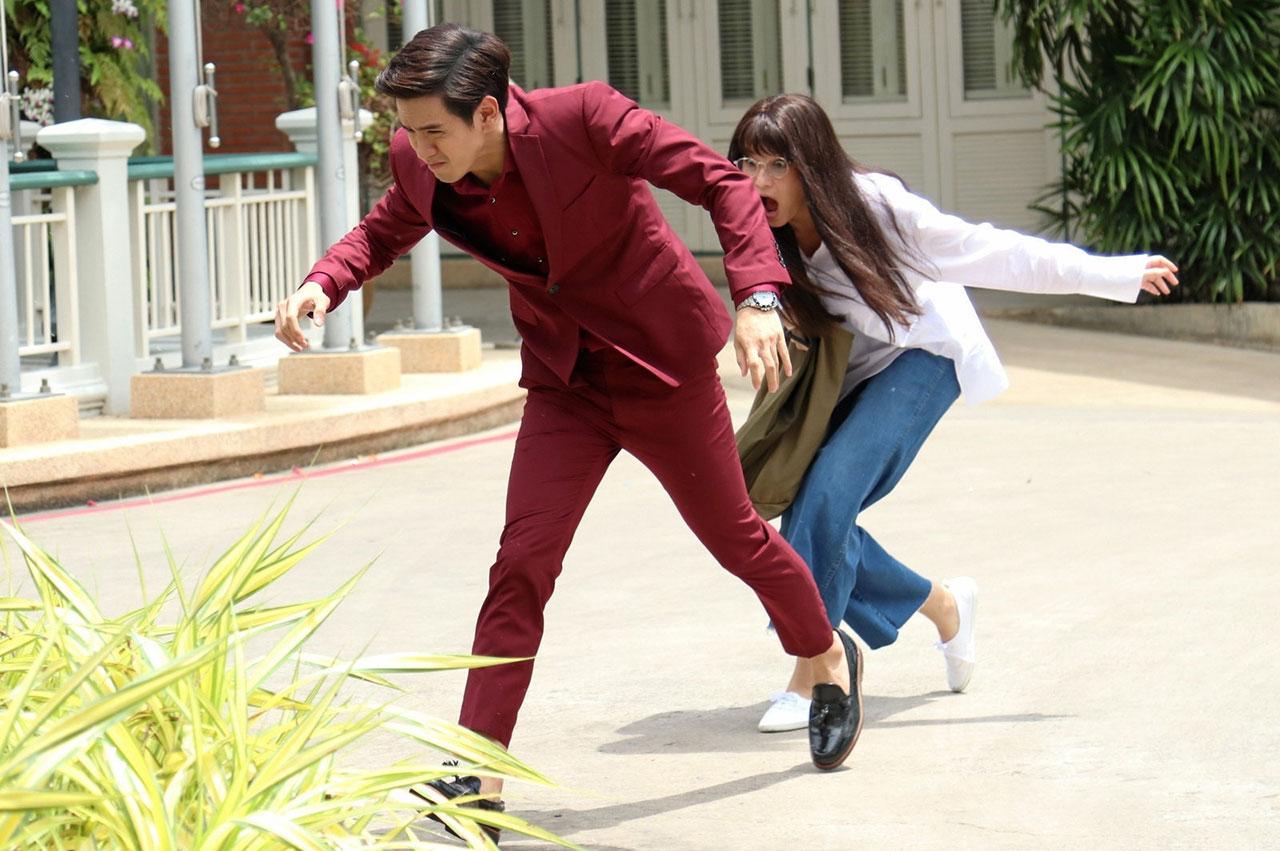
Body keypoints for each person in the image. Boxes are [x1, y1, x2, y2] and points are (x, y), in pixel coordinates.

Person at [273, 25, 863, 828]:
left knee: (735, 537)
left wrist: (757, 297)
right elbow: (383, 230)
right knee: (521, 563)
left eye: (433, 130)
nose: (417, 147)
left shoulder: (585, 117)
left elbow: (721, 184)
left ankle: (824, 651)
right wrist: (324, 282)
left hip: (660, 364)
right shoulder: (421, 162)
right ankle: (478, 776)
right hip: (566, 382)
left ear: (488, 113)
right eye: (407, 130)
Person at [727, 94, 1180, 733]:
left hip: (925, 355)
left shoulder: (875, 209)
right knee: (812, 513)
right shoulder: (759, 232)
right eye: (747, 164)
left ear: (813, 164)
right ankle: (945, 608)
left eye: (778, 165)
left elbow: (991, 251)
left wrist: (1111, 275)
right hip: (847, 373)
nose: (759, 182)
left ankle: (815, 675)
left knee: (828, 496)